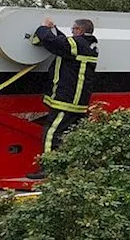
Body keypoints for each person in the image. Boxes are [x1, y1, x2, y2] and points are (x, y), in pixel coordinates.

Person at [31, 16, 98, 158]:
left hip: (67, 100)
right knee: (70, 135)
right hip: (78, 99)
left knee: (52, 133)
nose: (71, 32)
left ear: (79, 30)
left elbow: (53, 42)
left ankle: (48, 167)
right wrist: (55, 29)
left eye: (73, 29)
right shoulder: (88, 44)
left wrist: (43, 27)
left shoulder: (77, 44)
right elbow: (64, 44)